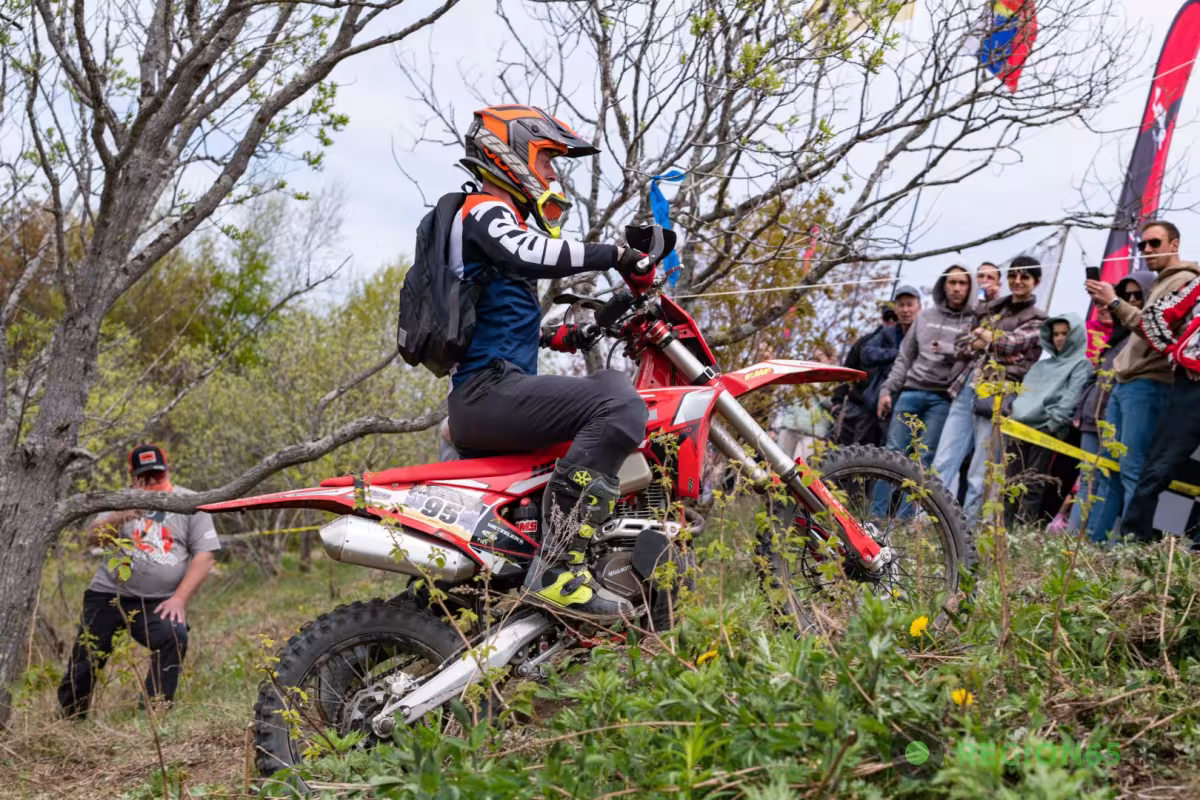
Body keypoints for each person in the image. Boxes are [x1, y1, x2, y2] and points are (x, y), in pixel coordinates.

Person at [445, 105, 651, 622]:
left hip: (487, 391)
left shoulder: (486, 220)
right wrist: (616, 255)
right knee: (618, 401)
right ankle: (559, 570)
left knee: (606, 392)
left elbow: (488, 320)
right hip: (488, 394)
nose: (553, 174)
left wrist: (558, 335)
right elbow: (527, 253)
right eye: (547, 161)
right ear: (511, 153)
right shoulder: (486, 210)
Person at [58, 445, 220, 719]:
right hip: (108, 593)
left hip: (159, 600)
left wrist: (179, 599)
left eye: (157, 474)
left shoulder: (190, 502)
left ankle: (153, 714)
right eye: (144, 477)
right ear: (132, 476)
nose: (152, 482)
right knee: (88, 654)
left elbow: (205, 556)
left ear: (168, 470)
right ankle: (70, 717)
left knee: (174, 636)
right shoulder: (119, 499)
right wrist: (122, 513)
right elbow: (92, 538)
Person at [1084, 220, 1199, 542]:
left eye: (1155, 243)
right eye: (1142, 245)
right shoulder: (1163, 281)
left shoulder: (1185, 281)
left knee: (1136, 469)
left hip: (1150, 382)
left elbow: (1155, 329)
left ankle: (1133, 545)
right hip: (1126, 381)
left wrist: (1116, 302)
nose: (1147, 250)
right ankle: (1096, 543)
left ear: (1175, 244)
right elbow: (1148, 325)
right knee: (1109, 470)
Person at [932, 257, 1047, 527]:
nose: (1018, 281)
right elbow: (961, 343)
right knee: (944, 458)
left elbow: (1010, 345)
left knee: (982, 467)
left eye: (1025, 277)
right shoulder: (992, 308)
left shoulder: (1039, 318)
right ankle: (929, 520)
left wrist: (986, 338)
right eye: (1014, 275)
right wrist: (989, 340)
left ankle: (969, 528)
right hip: (968, 385)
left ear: (1036, 282)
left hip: (999, 392)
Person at [1068, 272, 1153, 535]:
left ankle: (1125, 543)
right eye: (1126, 295)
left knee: (1125, 474)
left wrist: (1115, 301)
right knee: (1095, 478)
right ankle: (1082, 541)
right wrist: (1080, 408)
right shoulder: (1117, 336)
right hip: (1095, 415)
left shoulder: (1147, 333)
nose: (1131, 300)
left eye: (1138, 295)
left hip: (1123, 413)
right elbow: (1094, 377)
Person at [1121, 268, 1200, 542]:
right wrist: (1177, 352)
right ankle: (1133, 542)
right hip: (1191, 388)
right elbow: (1154, 317)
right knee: (1160, 465)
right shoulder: (1197, 285)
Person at [876, 267, 976, 466]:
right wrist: (886, 390)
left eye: (962, 283)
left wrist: (949, 350)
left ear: (970, 287)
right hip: (910, 392)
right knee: (892, 455)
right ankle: (881, 489)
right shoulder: (924, 317)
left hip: (943, 398)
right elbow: (905, 358)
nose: (956, 288)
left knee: (925, 459)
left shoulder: (975, 321)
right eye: (952, 282)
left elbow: (975, 356)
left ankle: (913, 490)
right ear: (943, 285)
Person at [1004, 315, 1093, 527]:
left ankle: (1020, 535)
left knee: (1032, 486)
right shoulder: (1041, 365)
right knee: (1010, 484)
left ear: (1076, 335)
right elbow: (1024, 392)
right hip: (1019, 428)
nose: (1060, 338)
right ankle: (1002, 530)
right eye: (1055, 334)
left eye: (1065, 333)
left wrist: (1053, 425)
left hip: (1045, 431)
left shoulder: (1081, 364)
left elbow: (1071, 398)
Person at [854, 285, 921, 444]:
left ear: (919, 307)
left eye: (909, 305)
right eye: (901, 305)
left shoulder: (925, 333)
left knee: (895, 449)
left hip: (908, 402)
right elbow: (866, 353)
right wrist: (897, 354)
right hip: (875, 402)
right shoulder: (887, 333)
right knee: (861, 446)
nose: (905, 310)